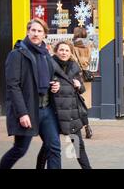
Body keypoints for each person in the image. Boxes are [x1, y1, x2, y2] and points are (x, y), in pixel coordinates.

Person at [0, 18, 61, 169]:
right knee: (20, 150)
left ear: (44, 35)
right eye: (33, 30)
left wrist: (55, 85)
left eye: (39, 31)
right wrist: (22, 113)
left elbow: (50, 76)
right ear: (28, 31)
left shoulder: (46, 54)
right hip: (28, 111)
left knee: (54, 148)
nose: (35, 34)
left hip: (46, 109)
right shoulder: (17, 54)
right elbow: (13, 86)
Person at [36, 41, 92, 169]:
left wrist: (79, 86)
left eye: (67, 50)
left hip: (71, 114)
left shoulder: (74, 66)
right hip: (54, 114)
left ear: (70, 52)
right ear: (56, 51)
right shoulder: (49, 65)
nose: (64, 53)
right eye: (61, 50)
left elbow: (82, 88)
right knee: (48, 147)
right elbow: (42, 85)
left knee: (78, 147)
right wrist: (52, 87)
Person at [72, 27, 94, 139]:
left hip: (76, 77)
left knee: (77, 103)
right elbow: (89, 60)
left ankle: (78, 127)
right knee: (84, 104)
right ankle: (87, 126)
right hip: (86, 77)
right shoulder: (89, 45)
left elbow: (72, 61)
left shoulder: (73, 46)